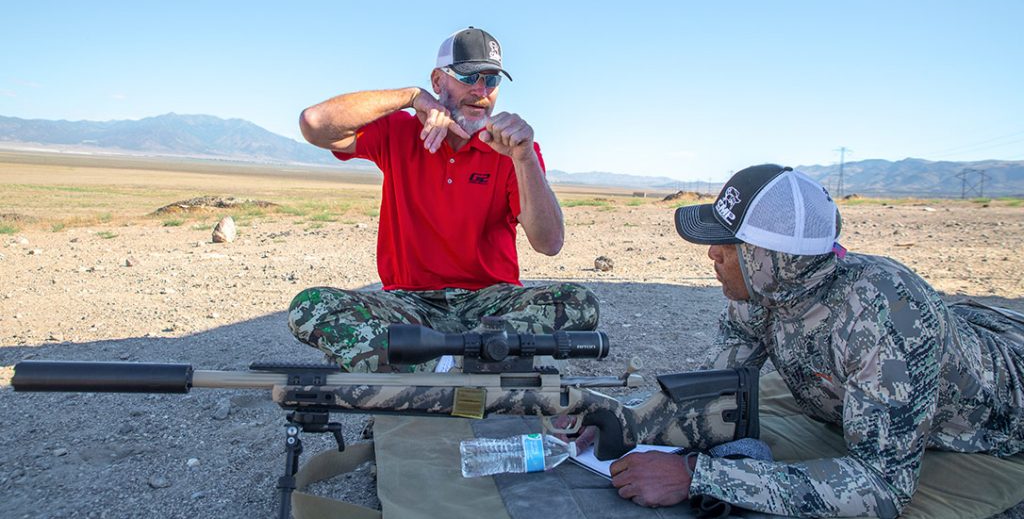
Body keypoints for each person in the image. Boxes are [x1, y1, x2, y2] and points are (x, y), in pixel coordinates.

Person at [609, 164, 1024, 518]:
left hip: (993, 413)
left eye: (728, 243)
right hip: (934, 349)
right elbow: (717, 388)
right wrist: (621, 422)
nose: (712, 254)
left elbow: (883, 488)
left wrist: (700, 476)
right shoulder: (761, 291)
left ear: (769, 258)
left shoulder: (884, 315)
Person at [287, 27, 599, 373]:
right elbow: (314, 123)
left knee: (580, 302)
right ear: (439, 81)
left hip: (490, 304)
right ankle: (473, 362)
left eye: (492, 79)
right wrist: (410, 97)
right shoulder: (399, 133)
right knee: (310, 307)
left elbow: (549, 243)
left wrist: (524, 158)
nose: (481, 91)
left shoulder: (512, 149)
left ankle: (428, 363)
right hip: (410, 303)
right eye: (468, 76)